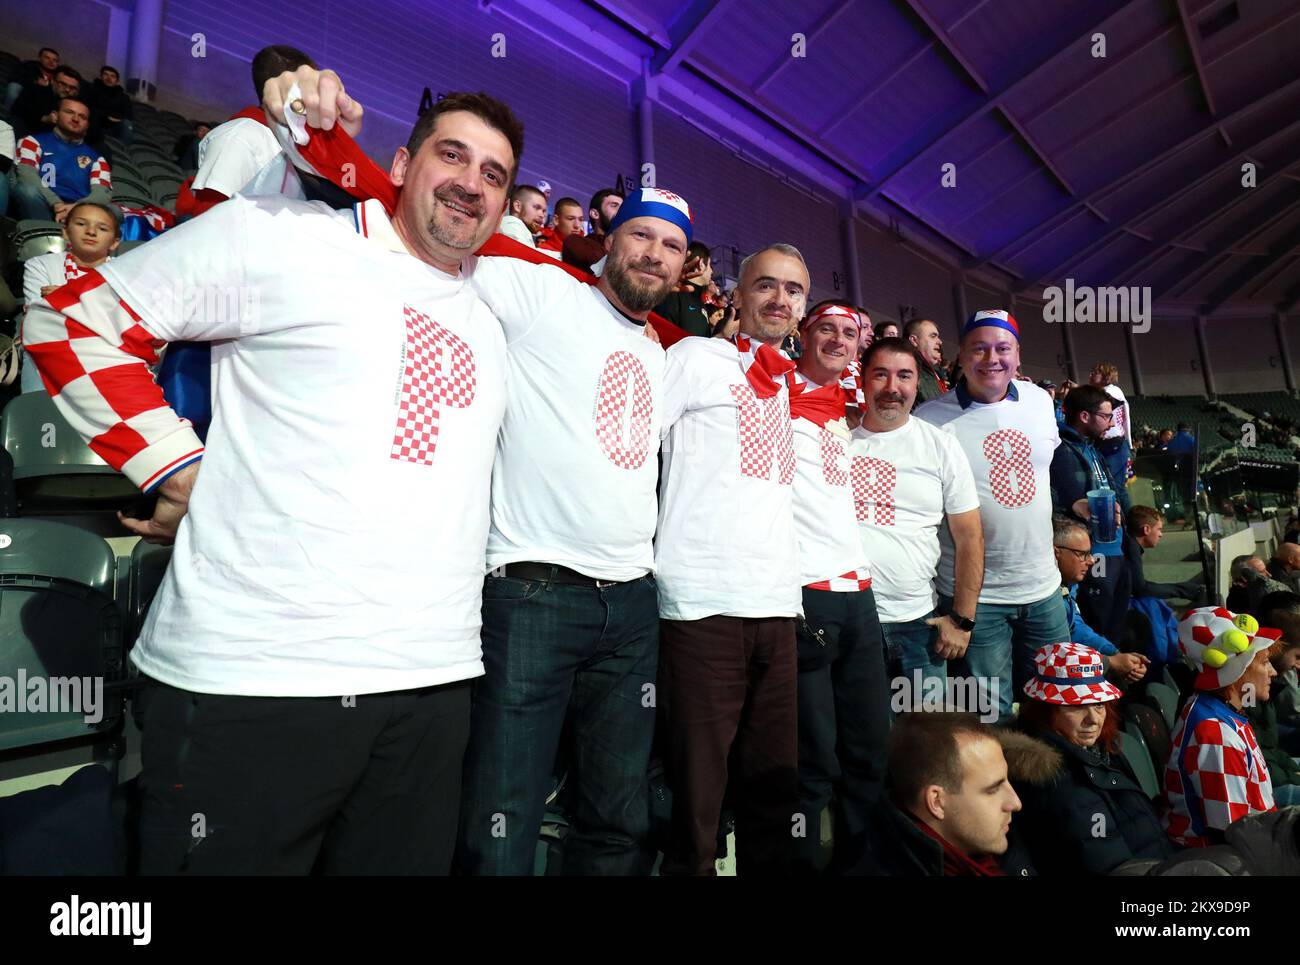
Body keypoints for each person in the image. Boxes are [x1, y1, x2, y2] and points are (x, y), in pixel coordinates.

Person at [23, 87, 522, 875]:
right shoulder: (284, 238)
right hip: (257, 678)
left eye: (495, 174)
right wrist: (173, 464)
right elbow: (72, 319)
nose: (472, 182)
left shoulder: (491, 322)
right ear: (400, 163)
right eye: (452, 155)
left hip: (435, 686)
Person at [456, 187, 689, 876]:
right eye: (641, 235)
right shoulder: (541, 291)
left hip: (633, 603)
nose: (654, 254)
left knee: (618, 815)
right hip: (532, 594)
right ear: (607, 238)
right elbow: (442, 236)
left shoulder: (664, 349)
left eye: (671, 245)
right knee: (503, 808)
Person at [655, 242, 808, 875]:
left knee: (773, 785)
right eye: (766, 286)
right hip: (702, 602)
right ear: (736, 296)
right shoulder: (694, 357)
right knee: (698, 793)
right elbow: (640, 452)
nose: (779, 299)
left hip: (777, 602)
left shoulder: (792, 385)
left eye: (794, 290)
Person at [915, 310, 1067, 721]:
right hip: (976, 600)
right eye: (979, 349)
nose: (991, 359)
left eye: (1002, 348)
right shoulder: (930, 420)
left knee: (1056, 708)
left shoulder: (1039, 402)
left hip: (1042, 590)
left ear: (1018, 356)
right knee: (987, 716)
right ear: (960, 357)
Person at [787, 302, 891, 873]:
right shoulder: (774, 391)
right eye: (824, 329)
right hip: (806, 594)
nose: (836, 340)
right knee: (814, 761)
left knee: (870, 749)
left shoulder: (846, 409)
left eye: (848, 333)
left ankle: (859, 865)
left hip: (860, 596)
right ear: (804, 334)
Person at [850, 337, 982, 692]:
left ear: (916, 383)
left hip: (919, 624)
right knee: (863, 742)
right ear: (862, 380)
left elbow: (970, 536)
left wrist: (963, 620)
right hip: (852, 622)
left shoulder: (941, 445)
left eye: (904, 376)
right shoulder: (836, 440)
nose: (892, 387)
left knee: (927, 741)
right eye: (881, 374)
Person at [1009, 643, 1177, 875]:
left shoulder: (1100, 751)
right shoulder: (1056, 782)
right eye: (1076, 706)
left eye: (1099, 704)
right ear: (1046, 711)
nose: (1093, 719)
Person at [855, 712, 1029, 876]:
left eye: (1008, 781)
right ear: (937, 802)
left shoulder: (994, 842)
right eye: (993, 789)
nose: (1016, 802)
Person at [1165, 607, 1280, 848]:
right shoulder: (1216, 735)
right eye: (1266, 662)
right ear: (1238, 669)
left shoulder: (1221, 711)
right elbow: (1233, 833)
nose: (1273, 672)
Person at [1050, 383, 1132, 643]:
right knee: (1099, 624)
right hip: (1094, 553)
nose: (1110, 423)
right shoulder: (1063, 451)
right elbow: (1071, 503)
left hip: (1115, 549)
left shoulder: (1093, 448)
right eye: (1106, 416)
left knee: (1117, 625)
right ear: (1085, 416)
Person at [20, 200, 121, 393]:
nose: (91, 232)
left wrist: (65, 297)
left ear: (114, 242)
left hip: (109, 354)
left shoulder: (126, 272)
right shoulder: (40, 264)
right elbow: (40, 315)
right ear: (65, 232)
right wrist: (102, 306)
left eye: (102, 228)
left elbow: (126, 321)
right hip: (54, 348)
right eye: (81, 224)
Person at [1052, 516, 1147, 684]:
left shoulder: (1069, 585)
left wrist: (1114, 653)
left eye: (1090, 553)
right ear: (1055, 553)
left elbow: (1075, 628)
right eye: (1082, 554)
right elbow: (1056, 653)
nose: (1092, 560)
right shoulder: (1043, 598)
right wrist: (1109, 663)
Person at [12, 97, 112, 222]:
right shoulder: (32, 142)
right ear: (55, 115)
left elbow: (101, 194)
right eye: (69, 112)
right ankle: (47, 233)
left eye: (82, 117)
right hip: (43, 204)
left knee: (115, 212)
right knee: (26, 191)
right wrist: (57, 204)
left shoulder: (98, 159)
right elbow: (26, 175)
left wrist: (75, 209)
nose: (76, 119)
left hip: (79, 214)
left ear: (87, 125)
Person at [1242, 600, 1300, 807]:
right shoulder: (1248, 693)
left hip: (1271, 772)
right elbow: (1260, 758)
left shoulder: (1259, 687)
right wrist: (1294, 776)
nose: (1297, 665)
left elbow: (1268, 746)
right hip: (1263, 789)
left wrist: (1291, 768)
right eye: (1297, 656)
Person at [654, 240, 714, 337]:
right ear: (701, 264)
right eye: (710, 265)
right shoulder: (672, 294)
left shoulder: (698, 299)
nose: (712, 271)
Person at [1090, 362, 1132, 488]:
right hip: (1105, 444)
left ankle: (1122, 508)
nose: (1091, 375)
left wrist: (1079, 390)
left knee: (1115, 487)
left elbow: (1103, 399)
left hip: (1115, 445)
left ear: (1106, 376)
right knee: (1107, 485)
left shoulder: (1114, 391)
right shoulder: (1100, 392)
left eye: (1096, 372)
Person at [11, 65, 80, 138]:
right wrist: (44, 118)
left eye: (72, 88)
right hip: (30, 131)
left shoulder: (78, 106)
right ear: (53, 81)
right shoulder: (35, 90)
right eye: (63, 84)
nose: (67, 90)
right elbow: (17, 110)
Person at [562, 188, 622, 272]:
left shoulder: (627, 245)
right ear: (595, 214)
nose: (621, 210)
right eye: (614, 205)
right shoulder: (576, 242)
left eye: (623, 207)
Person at [903, 317, 948, 407]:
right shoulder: (910, 372)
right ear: (914, 340)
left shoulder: (929, 372)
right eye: (933, 336)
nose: (940, 342)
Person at [86, 65, 134, 146]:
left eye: (112, 76)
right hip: (96, 124)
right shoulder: (92, 89)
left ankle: (123, 151)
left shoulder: (124, 97)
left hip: (115, 126)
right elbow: (89, 107)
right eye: (106, 74)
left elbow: (128, 115)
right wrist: (106, 116)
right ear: (101, 77)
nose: (109, 78)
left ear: (117, 81)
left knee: (127, 124)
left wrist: (113, 117)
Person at [3, 46, 59, 115]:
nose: (51, 62)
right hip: (27, 94)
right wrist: (35, 81)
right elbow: (16, 78)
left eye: (55, 60)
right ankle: (7, 115)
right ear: (40, 58)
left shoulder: (59, 75)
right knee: (14, 87)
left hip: (44, 101)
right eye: (47, 58)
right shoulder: (29, 66)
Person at [499, 183, 547, 248]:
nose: (542, 215)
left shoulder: (521, 232)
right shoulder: (512, 232)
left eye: (544, 211)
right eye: (537, 207)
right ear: (517, 206)